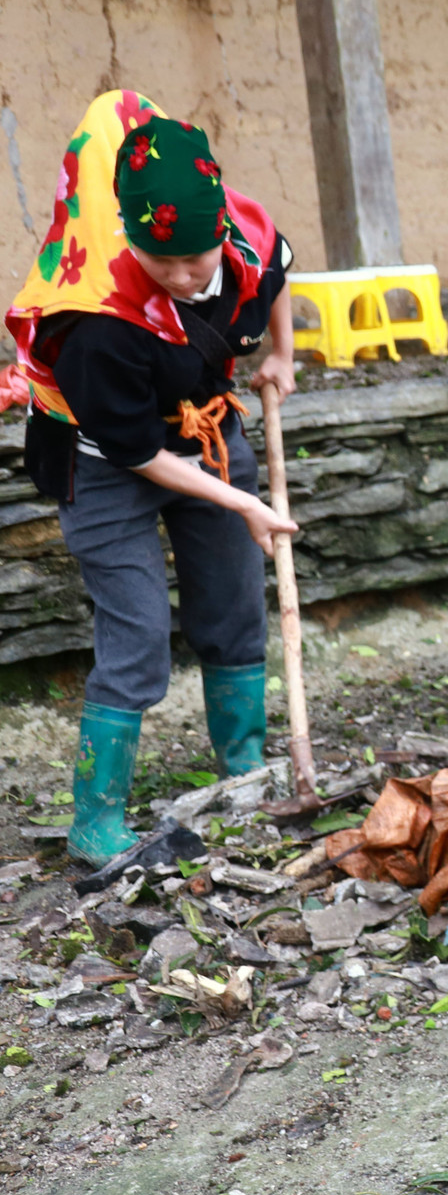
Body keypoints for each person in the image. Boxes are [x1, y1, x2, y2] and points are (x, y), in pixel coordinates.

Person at [5, 90, 298, 867]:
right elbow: (136, 453)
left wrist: (282, 355)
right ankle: (95, 817)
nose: (174, 273)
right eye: (155, 258)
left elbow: (278, 275)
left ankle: (245, 763)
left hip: (204, 432)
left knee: (235, 599)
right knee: (136, 632)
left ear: (221, 234)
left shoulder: (244, 243)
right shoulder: (96, 321)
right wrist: (242, 499)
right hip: (107, 463)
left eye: (191, 259)